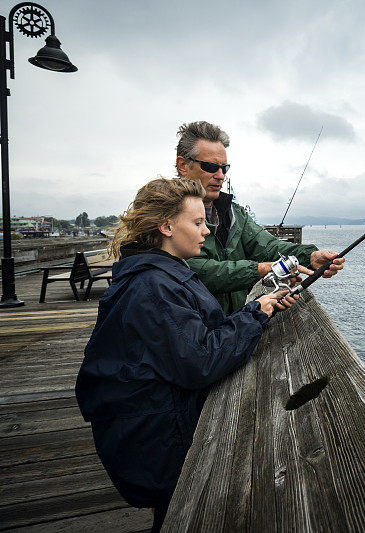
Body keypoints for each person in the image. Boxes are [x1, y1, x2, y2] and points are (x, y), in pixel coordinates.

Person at [75, 178, 297, 532]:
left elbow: (192, 338)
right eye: (196, 223)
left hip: (154, 425)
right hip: (156, 437)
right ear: (165, 227)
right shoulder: (154, 287)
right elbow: (200, 361)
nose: (206, 231)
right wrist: (253, 316)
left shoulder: (159, 273)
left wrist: (256, 309)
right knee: (179, 513)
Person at [175, 121, 344, 314]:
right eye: (211, 166)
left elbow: (268, 246)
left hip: (230, 330)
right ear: (183, 165)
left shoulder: (234, 213)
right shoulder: (166, 213)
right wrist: (261, 270)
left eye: (225, 168)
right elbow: (198, 270)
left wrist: (310, 256)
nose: (221, 175)